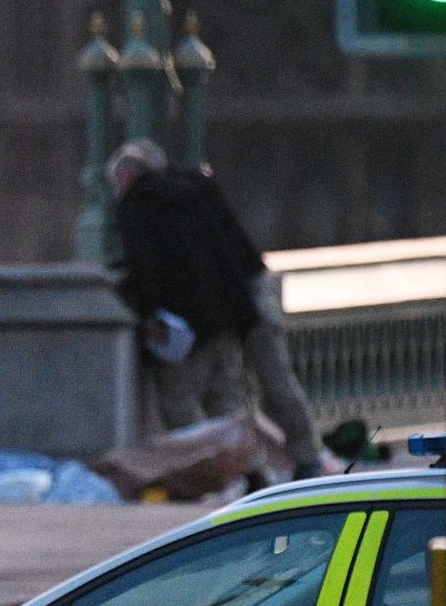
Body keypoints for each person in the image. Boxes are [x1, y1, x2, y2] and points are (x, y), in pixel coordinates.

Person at [108, 138, 334, 478]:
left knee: (182, 401)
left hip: (190, 320)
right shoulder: (201, 189)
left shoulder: (137, 206)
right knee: (243, 388)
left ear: (125, 179)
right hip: (238, 305)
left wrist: (149, 311)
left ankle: (218, 473)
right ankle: (295, 459)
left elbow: (146, 266)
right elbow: (234, 246)